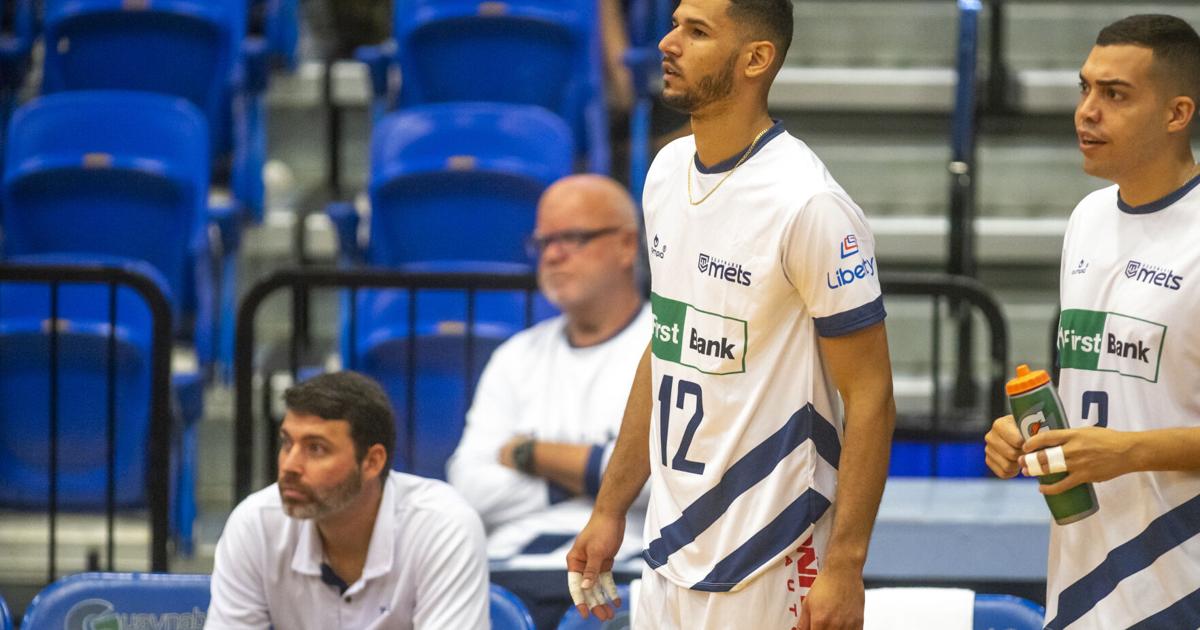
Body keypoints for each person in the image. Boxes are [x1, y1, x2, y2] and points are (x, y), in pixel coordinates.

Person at [567, 0, 897, 628]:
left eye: (696, 31)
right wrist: (611, 508)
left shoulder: (810, 204)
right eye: (673, 23)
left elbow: (872, 394)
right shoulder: (665, 171)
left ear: (755, 58)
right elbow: (667, 346)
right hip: (668, 546)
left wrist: (846, 565)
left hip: (774, 547)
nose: (667, 42)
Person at [984, 14, 1200, 629]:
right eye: (1085, 88)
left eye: (1115, 95)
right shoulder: (1087, 217)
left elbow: (1124, 438)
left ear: (1177, 113)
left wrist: (1127, 452)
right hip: (1081, 580)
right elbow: (1108, 389)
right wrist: (1028, 433)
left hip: (1180, 581)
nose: (1087, 111)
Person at [447, 174, 650, 627]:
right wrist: (597, 470)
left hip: (630, 567)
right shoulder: (516, 355)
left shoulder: (668, 347)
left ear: (625, 246)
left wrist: (530, 454)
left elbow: (672, 483)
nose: (553, 255)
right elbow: (469, 487)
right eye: (544, 242)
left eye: (573, 238)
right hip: (505, 568)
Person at [206, 371, 489, 629]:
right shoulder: (255, 524)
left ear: (372, 461)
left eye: (316, 449)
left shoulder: (442, 527)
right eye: (287, 443)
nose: (289, 466)